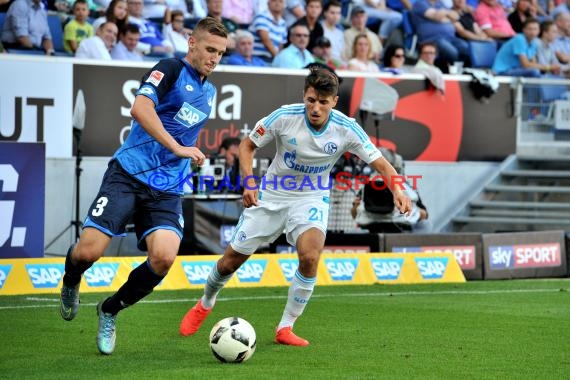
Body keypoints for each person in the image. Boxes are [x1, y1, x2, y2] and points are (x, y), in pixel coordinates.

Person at [179, 66, 412, 346]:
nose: (315, 108)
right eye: (311, 100)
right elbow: (246, 146)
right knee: (230, 262)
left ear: (334, 102)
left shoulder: (346, 128)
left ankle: (285, 327)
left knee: (310, 256)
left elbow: (381, 164)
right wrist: (249, 183)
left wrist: (398, 189)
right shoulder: (284, 116)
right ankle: (205, 302)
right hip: (272, 196)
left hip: (311, 197)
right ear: (305, 95)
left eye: (323, 102)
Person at [59, 17, 228, 355]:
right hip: (129, 174)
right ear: (191, 43)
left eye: (221, 53)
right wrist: (177, 148)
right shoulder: (169, 68)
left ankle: (110, 309)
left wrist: (188, 154)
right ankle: (71, 278)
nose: (214, 58)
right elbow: (140, 108)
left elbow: (182, 130)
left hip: (166, 188)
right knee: (88, 252)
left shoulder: (209, 91)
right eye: (209, 49)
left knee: (164, 258)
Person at [351, 148, 428, 233]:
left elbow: (424, 214)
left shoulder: (407, 188)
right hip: (374, 231)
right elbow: (355, 213)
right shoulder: (366, 187)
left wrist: (412, 211)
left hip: (400, 231)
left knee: (424, 225)